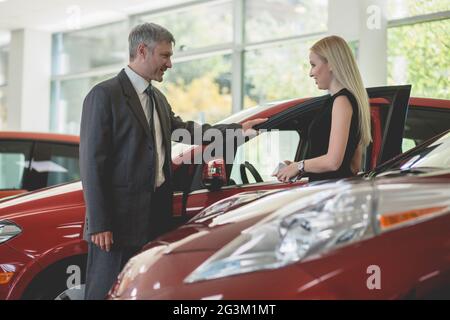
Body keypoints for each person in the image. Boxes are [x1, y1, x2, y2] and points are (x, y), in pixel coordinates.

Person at [79, 22, 266, 300]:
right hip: (116, 224)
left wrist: (237, 131)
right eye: (165, 56)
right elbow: (91, 164)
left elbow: (187, 131)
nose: (170, 64)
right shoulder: (104, 95)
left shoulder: (158, 98)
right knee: (105, 292)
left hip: (154, 218)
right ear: (142, 51)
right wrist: (99, 223)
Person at [274, 35, 371, 183]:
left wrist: (300, 166)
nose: (310, 73)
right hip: (333, 192)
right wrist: (296, 166)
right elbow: (354, 166)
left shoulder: (341, 102)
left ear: (331, 64)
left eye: (313, 65)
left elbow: (333, 162)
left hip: (330, 195)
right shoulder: (345, 101)